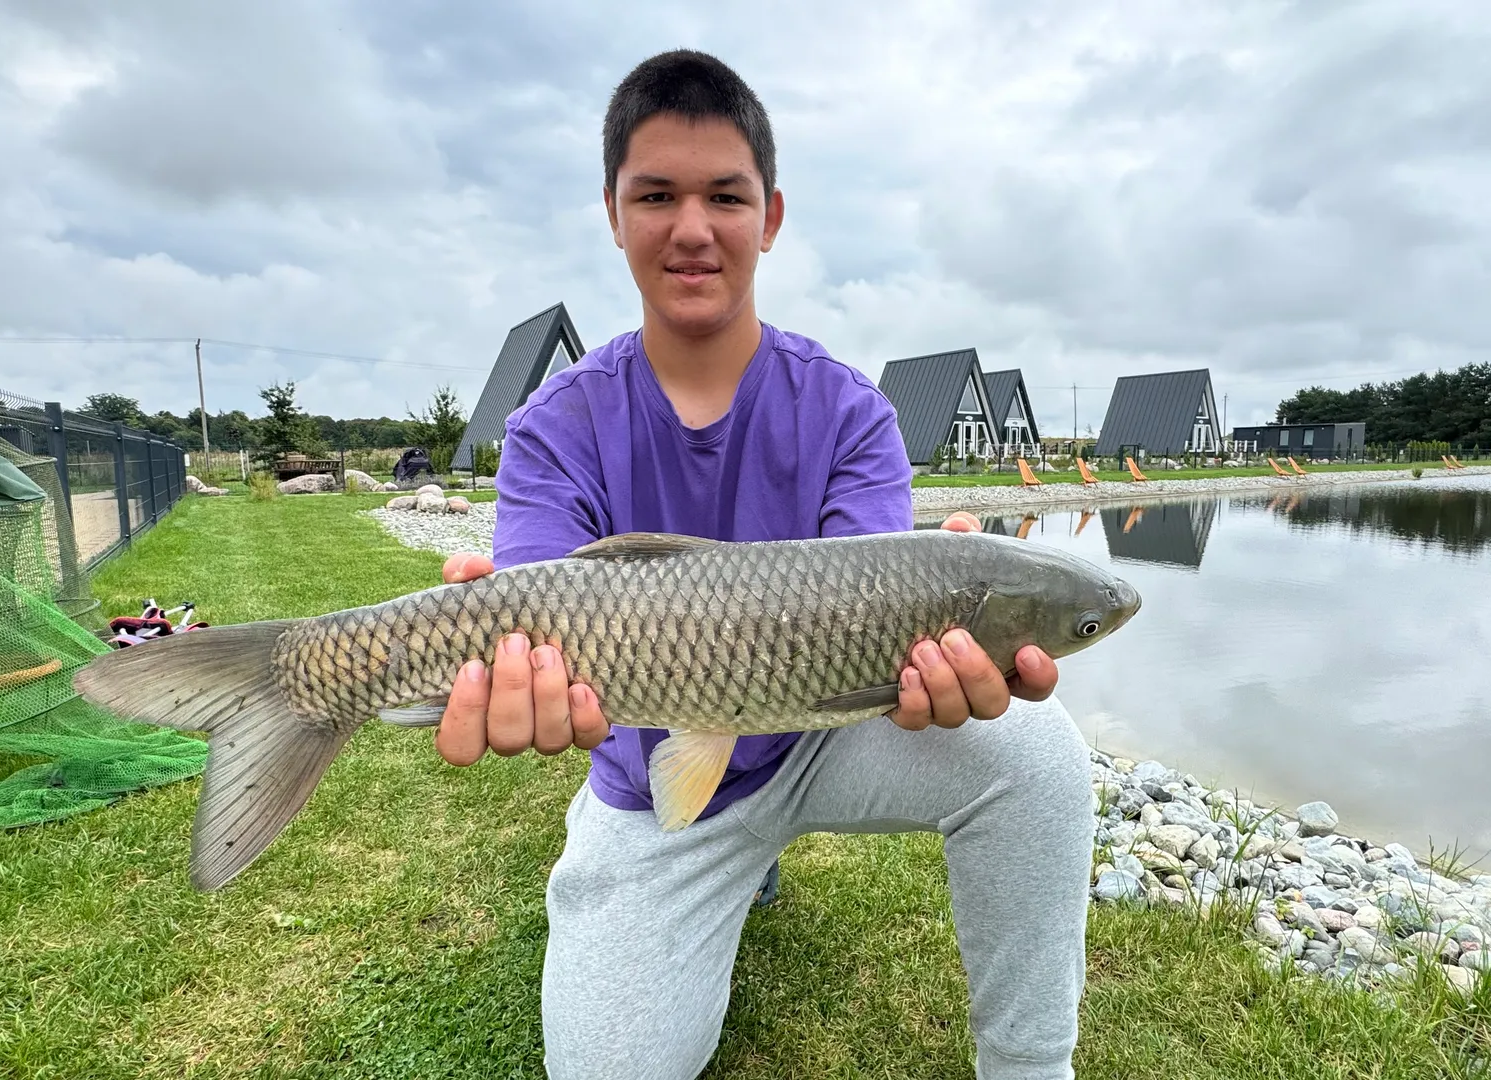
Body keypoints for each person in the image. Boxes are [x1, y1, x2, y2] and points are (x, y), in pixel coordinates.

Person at [432, 50, 1093, 1080]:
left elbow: (873, 611)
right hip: (650, 766)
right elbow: (536, 639)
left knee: (1040, 754)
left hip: (818, 738)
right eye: (657, 195)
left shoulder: (850, 411)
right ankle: (721, 865)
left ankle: (1031, 1068)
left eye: (726, 197)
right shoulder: (553, 426)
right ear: (614, 213)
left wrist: (941, 636)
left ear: (770, 216)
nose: (693, 227)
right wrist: (514, 679)